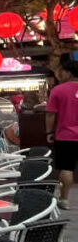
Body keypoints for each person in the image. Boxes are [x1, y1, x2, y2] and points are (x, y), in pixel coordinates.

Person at [45, 54, 78, 209]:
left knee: (67, 168)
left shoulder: (58, 90)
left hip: (65, 136)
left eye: (62, 72)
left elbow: (50, 114)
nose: (60, 75)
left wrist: (48, 132)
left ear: (69, 73)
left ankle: (64, 199)